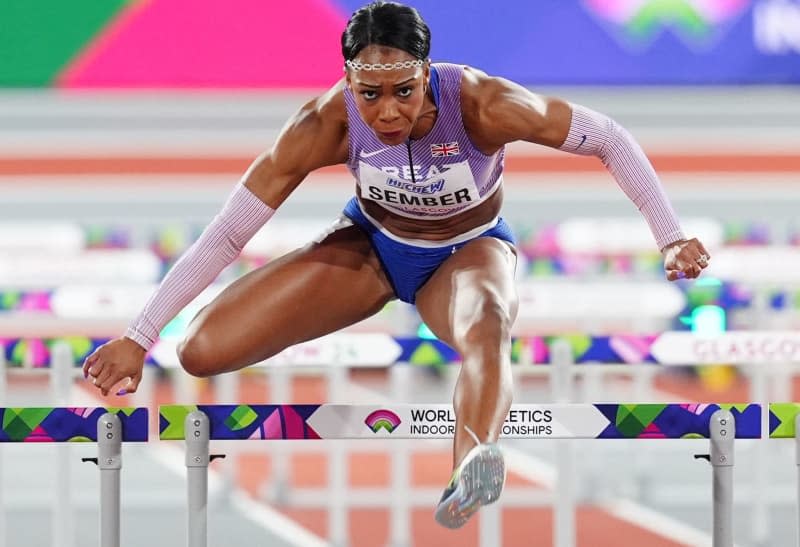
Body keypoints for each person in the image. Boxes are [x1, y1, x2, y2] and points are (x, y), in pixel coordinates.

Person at [82, 0, 711, 529]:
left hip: (467, 254)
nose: (387, 112)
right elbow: (227, 234)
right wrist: (141, 337)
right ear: (348, 82)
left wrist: (670, 236)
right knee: (200, 351)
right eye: (370, 94)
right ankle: (469, 443)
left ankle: (473, 463)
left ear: (426, 73)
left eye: (404, 92)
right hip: (372, 252)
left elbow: (607, 136)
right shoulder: (322, 123)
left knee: (488, 323)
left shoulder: (483, 104)